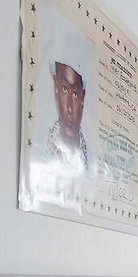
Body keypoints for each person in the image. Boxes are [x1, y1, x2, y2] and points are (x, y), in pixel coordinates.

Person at [41, 14, 93, 174]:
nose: (69, 108)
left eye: (75, 94)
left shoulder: (92, 163)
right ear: (55, 89)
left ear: (83, 97)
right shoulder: (41, 149)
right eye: (64, 89)